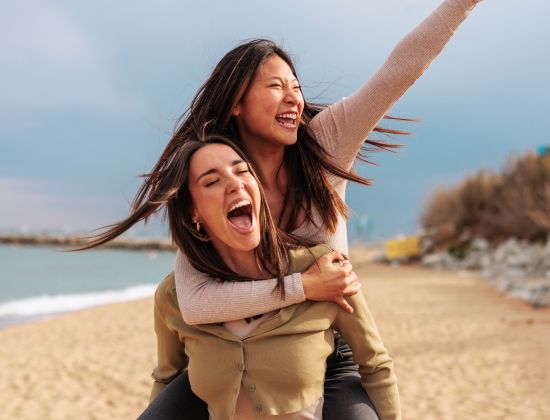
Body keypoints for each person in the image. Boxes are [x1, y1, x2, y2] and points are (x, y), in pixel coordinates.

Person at [137, 0, 483, 418]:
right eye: (276, 87)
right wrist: (305, 285)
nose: (294, 99)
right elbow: (195, 305)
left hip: (324, 347)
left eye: (296, 88)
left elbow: (402, 67)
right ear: (235, 104)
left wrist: (462, 4)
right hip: (232, 352)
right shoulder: (217, 175)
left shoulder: (326, 144)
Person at [145, 137, 400, 419]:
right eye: (211, 181)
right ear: (193, 212)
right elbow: (167, 380)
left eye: (242, 171)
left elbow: (375, 365)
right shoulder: (175, 296)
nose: (235, 183)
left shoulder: (323, 270)